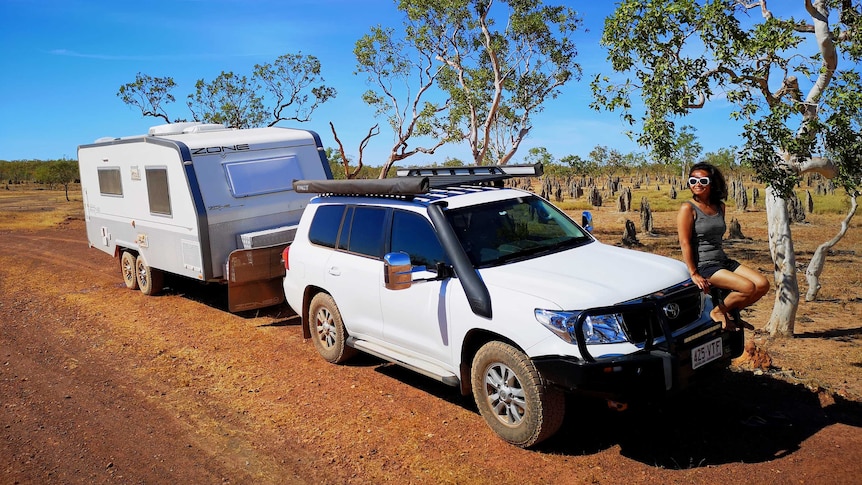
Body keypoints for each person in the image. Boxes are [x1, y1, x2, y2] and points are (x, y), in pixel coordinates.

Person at [677, 162, 769, 331]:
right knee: (747, 287)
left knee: (762, 284)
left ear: (712, 183)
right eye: (693, 180)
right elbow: (685, 242)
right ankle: (718, 312)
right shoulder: (688, 208)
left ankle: (732, 313)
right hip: (705, 265)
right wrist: (694, 273)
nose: (697, 184)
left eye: (703, 181)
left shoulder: (720, 207)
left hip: (722, 260)